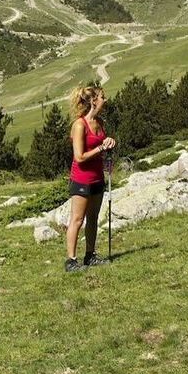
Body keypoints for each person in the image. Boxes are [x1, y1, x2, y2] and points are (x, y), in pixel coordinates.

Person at [66, 85, 117, 272]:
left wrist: (107, 142)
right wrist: (101, 149)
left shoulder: (99, 122)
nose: (105, 100)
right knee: (77, 219)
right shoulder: (79, 125)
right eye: (102, 97)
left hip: (97, 177)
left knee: (93, 218)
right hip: (81, 179)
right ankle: (71, 260)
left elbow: (99, 145)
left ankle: (90, 255)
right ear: (94, 101)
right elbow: (79, 157)